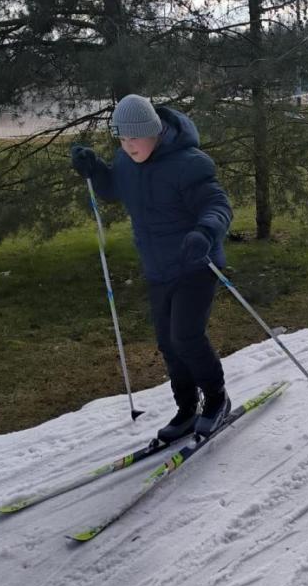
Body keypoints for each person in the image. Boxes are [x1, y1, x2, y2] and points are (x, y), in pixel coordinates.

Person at [70, 95, 233, 440]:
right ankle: (187, 408)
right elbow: (114, 188)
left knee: (186, 336)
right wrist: (95, 169)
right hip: (158, 268)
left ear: (155, 132)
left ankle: (218, 400)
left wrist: (205, 232)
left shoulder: (189, 163)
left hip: (195, 261)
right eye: (123, 138)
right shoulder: (126, 162)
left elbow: (217, 204)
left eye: (135, 137)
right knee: (168, 343)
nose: (129, 146)